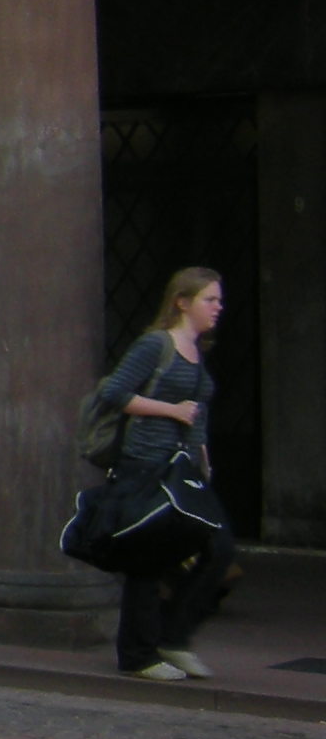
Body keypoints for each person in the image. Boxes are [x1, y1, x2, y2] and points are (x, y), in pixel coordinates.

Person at [92, 266, 237, 681]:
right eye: (210, 299)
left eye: (219, 300)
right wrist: (170, 410)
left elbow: (199, 413)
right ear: (182, 302)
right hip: (146, 465)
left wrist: (203, 458)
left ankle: (173, 636)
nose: (218, 307)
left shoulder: (198, 351)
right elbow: (114, 392)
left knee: (219, 549)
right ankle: (138, 654)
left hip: (184, 470)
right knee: (148, 559)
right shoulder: (156, 345)